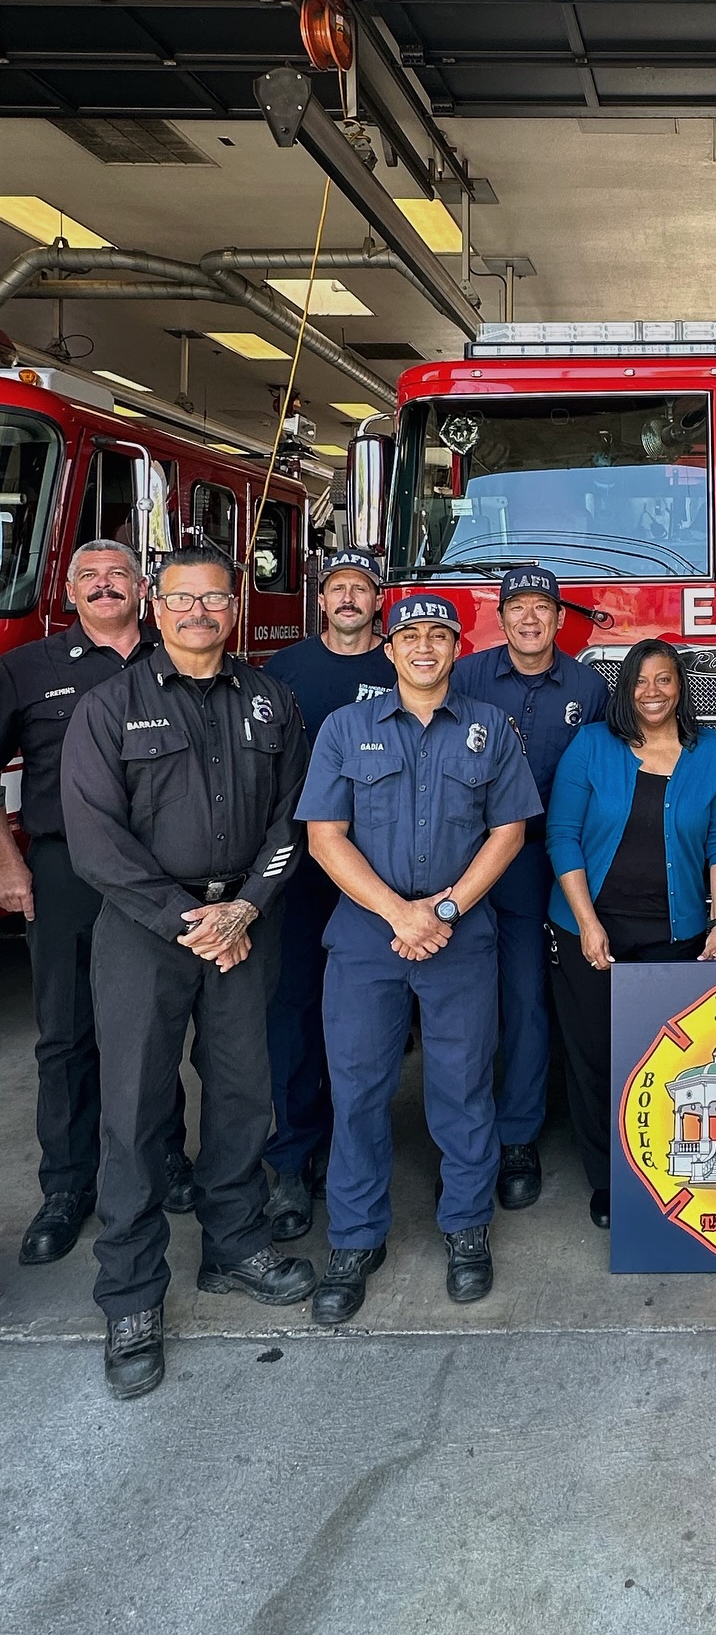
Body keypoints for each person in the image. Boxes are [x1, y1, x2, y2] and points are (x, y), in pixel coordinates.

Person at [60, 545, 314, 1400]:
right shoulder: (107, 708)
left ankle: (235, 1247)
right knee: (133, 1108)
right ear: (154, 607)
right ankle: (131, 1297)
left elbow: (295, 822)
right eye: (181, 599)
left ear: (234, 609)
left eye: (214, 598)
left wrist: (243, 909)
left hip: (243, 925)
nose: (198, 612)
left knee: (244, 1094)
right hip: (143, 932)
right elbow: (96, 841)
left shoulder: (273, 701)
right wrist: (188, 922)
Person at [299, 593, 540, 1324]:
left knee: (463, 1088)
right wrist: (398, 912)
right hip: (368, 939)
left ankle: (466, 1228)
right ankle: (355, 1237)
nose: (425, 647)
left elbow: (508, 834)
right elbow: (324, 837)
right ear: (390, 649)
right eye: (412, 636)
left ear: (458, 648)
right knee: (359, 1089)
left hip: (458, 936)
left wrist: (442, 910)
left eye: (440, 635)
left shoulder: (490, 728)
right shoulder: (346, 728)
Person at [0, 541, 196, 1268]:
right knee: (66, 1034)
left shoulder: (175, 651)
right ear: (70, 591)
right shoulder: (29, 668)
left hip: (160, 873)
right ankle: (66, 1184)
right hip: (65, 870)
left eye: (119, 575)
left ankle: (167, 1159)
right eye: (91, 577)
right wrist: (9, 863)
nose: (106, 586)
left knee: (152, 1026)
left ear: (143, 588)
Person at [547, 638, 716, 1229]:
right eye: (639, 681)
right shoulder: (591, 746)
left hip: (677, 934)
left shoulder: (713, 752)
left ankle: (663, 1175)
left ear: (680, 686)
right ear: (623, 688)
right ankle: (609, 1183)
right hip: (588, 928)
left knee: (665, 1064)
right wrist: (587, 922)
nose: (651, 692)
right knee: (594, 1058)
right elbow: (563, 836)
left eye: (663, 680)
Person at [450, 564, 606, 1211]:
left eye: (543, 607)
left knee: (526, 1000)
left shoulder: (591, 688)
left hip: (548, 858)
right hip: (465, 859)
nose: (531, 618)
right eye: (518, 607)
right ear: (502, 617)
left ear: (560, 619)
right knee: (461, 1003)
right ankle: (463, 1144)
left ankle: (517, 1138)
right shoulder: (464, 677)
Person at [260, 549, 395, 1241]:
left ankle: (353, 1152)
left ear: (379, 602)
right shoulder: (281, 672)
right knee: (294, 1011)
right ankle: (292, 1158)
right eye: (337, 588)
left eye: (361, 589)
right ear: (320, 602)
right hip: (303, 874)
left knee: (367, 1028)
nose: (348, 598)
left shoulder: (402, 666)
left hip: (386, 877)